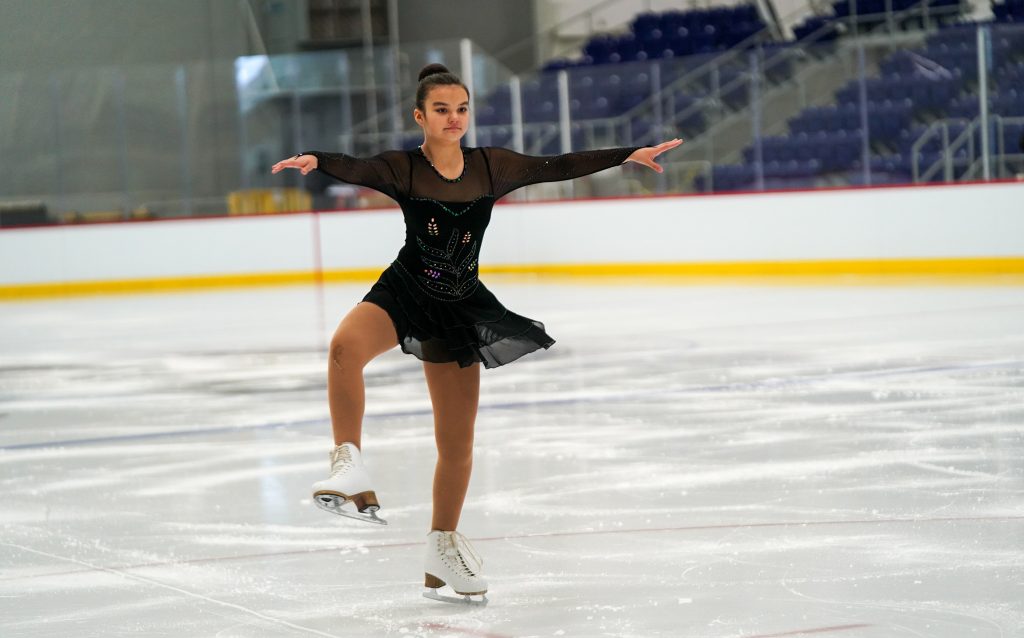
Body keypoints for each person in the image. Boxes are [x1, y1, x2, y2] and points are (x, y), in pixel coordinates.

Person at [271, 63, 682, 605]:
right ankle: (347, 460)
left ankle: (442, 550)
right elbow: (359, 168)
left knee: (457, 443)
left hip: (459, 304)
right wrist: (318, 160)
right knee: (345, 347)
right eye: (441, 109)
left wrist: (626, 154)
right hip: (405, 290)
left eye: (461, 108)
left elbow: (558, 165)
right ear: (420, 116)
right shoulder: (403, 168)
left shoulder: (492, 167)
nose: (454, 118)